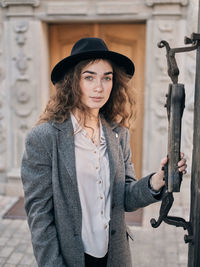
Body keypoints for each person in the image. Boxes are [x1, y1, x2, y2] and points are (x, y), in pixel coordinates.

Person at [21, 37, 187, 267]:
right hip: (69, 260)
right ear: (72, 82)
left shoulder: (118, 134)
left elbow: (126, 198)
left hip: (115, 257)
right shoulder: (43, 138)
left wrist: (158, 180)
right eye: (89, 77)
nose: (99, 87)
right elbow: (40, 217)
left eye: (106, 78)